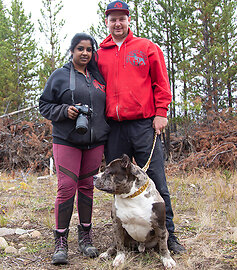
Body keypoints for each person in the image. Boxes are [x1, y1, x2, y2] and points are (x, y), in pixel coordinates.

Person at [97, 0, 186, 254]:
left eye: (121, 18)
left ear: (128, 21)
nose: (117, 23)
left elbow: (161, 82)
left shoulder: (146, 47)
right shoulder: (99, 54)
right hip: (114, 128)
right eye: (112, 19)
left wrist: (161, 113)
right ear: (107, 22)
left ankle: (168, 236)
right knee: (116, 182)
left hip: (143, 125)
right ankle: (122, 237)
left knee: (157, 179)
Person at [39, 33, 109, 265]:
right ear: (71, 51)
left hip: (94, 141)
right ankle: (60, 241)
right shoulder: (59, 75)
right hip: (66, 140)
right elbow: (44, 104)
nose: (85, 53)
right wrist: (64, 111)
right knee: (67, 187)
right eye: (80, 49)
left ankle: (86, 237)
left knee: (87, 187)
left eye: (89, 49)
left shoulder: (98, 77)